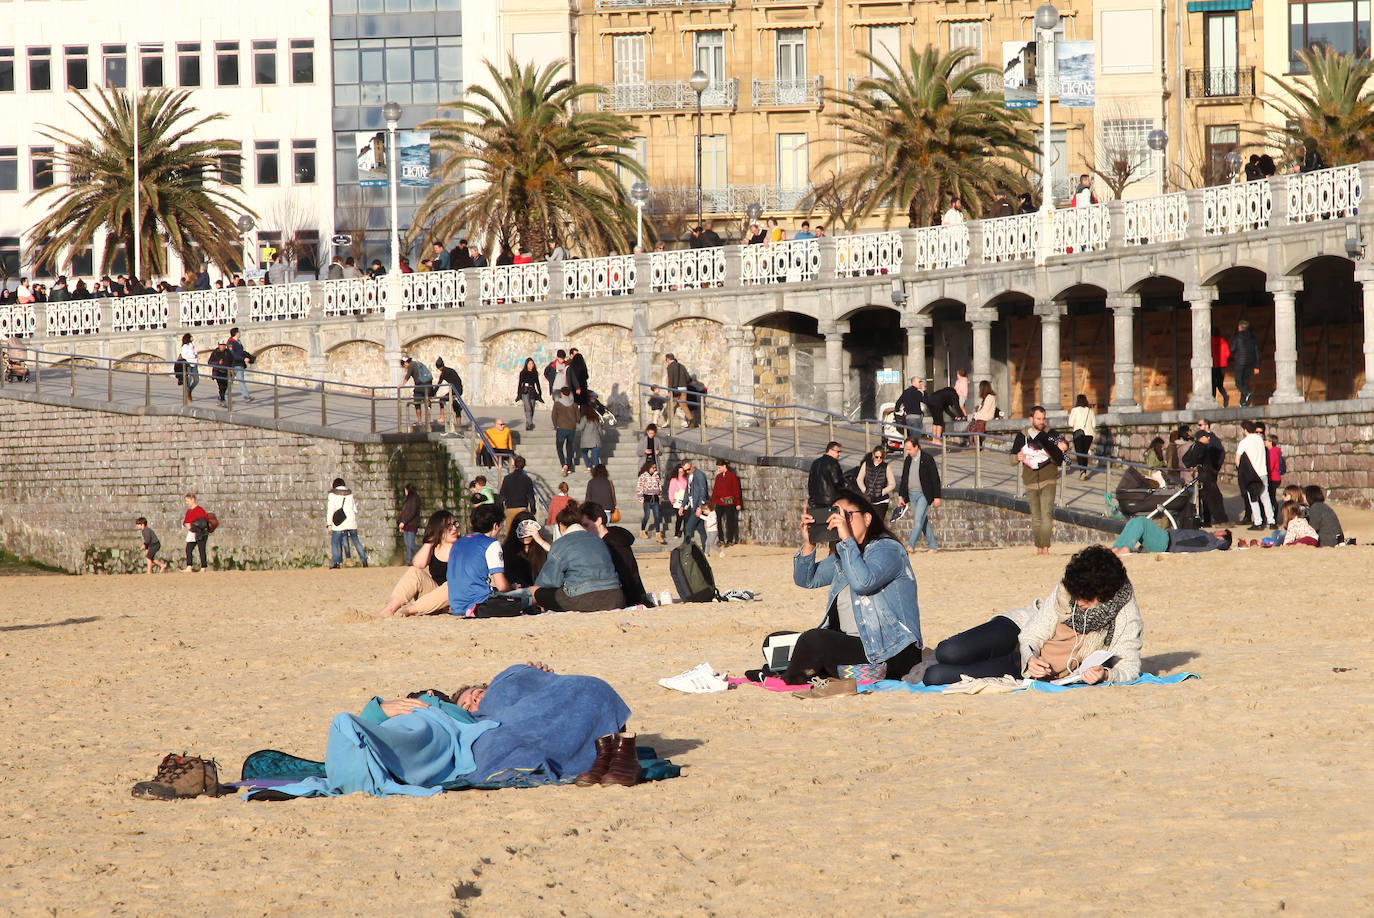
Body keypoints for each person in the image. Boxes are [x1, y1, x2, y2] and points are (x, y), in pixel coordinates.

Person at [922, 545, 1141, 686]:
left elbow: (1129, 667)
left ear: (1106, 594)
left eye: (1086, 599)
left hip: (1028, 668)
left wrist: (1105, 675)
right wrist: (1030, 658)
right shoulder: (1070, 586)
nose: (1079, 602)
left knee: (934, 676)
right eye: (1076, 595)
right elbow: (1032, 633)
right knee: (948, 651)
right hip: (1019, 630)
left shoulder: (1124, 611)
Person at [772, 490, 923, 685]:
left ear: (867, 518)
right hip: (856, 646)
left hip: (892, 651)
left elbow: (863, 583)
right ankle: (821, 670)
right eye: (836, 515)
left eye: (847, 515)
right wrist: (809, 544)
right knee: (775, 642)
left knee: (813, 640)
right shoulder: (846, 554)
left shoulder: (888, 549)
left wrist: (846, 541)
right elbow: (806, 580)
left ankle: (791, 677)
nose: (841, 521)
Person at [532, 503, 624, 612]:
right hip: (615, 596)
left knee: (537, 592)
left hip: (583, 598)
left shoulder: (561, 544)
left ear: (561, 526)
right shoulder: (599, 540)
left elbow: (549, 581)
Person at [373, 511, 458, 617]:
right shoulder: (433, 548)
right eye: (449, 526)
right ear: (439, 528)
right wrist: (429, 543)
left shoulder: (462, 547)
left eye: (455, 524)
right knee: (414, 572)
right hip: (432, 596)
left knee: (452, 585)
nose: (454, 528)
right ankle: (389, 609)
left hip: (454, 597)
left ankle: (410, 610)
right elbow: (418, 565)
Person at [1010, 406, 1067, 554]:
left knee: (1046, 514)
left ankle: (1045, 547)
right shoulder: (1022, 436)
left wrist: (1063, 446)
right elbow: (1012, 458)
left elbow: (1064, 446)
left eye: (1043, 419)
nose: (1041, 422)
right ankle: (1039, 547)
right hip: (1030, 480)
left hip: (1049, 479)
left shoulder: (1051, 434)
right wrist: (1017, 457)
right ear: (1031, 419)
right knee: (1036, 517)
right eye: (1038, 419)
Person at [446, 504, 512, 617]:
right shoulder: (491, 544)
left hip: (456, 606)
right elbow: (502, 586)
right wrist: (512, 588)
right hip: (479, 604)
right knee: (531, 593)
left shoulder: (458, 543)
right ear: (495, 525)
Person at [580, 502, 648, 606]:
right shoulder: (613, 539)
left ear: (598, 521)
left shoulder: (613, 544)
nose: (584, 530)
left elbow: (627, 577)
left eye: (586, 525)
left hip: (624, 598)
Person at [896, 436, 941, 553]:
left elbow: (935, 478)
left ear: (916, 447)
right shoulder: (908, 460)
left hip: (923, 495)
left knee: (918, 521)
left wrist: (937, 496)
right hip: (911, 494)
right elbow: (904, 478)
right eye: (906, 449)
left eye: (910, 449)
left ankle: (911, 545)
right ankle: (933, 545)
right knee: (922, 520)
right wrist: (901, 496)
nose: (908, 452)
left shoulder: (927, 459)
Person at [1183, 420, 1227, 525]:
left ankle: (1208, 520)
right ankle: (1221, 520)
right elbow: (1197, 458)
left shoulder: (1194, 445)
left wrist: (1192, 466)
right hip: (1206, 475)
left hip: (1202, 475)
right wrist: (1197, 465)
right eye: (1206, 437)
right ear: (1201, 438)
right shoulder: (1201, 446)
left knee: (1207, 498)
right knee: (1215, 498)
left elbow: (1186, 459)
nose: (1209, 438)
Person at [1112, 518, 1232, 554]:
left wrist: (1232, 543)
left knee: (1141, 521)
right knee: (1134, 521)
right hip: (1165, 540)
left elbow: (1224, 544)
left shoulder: (1211, 541)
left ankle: (1125, 547)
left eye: (1220, 531)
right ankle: (1117, 547)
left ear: (1222, 536)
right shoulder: (1206, 537)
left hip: (1166, 542)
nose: (1216, 531)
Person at [1236, 421, 1275, 529]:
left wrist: (1241, 471)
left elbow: (1237, 459)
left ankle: (1258, 522)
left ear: (1245, 430)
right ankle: (1271, 521)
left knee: (1253, 498)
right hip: (1263, 472)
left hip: (1251, 474)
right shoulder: (1260, 440)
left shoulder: (1244, 442)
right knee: (1265, 497)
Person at [327, 477, 368, 569]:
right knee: (356, 541)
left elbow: (330, 510)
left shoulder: (332, 495)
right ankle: (364, 560)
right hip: (351, 521)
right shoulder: (349, 494)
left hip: (339, 523)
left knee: (335, 542)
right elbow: (354, 509)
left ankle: (337, 562)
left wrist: (329, 523)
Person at [502, 513, 549, 588]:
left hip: (540, 590)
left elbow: (558, 556)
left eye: (530, 532)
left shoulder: (541, 548)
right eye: (523, 532)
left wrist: (540, 541)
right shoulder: (508, 550)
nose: (527, 536)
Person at [855, 445, 896, 520]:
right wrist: (864, 489)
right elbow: (859, 479)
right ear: (873, 455)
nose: (879, 459)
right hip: (868, 498)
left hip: (882, 500)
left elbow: (892, 484)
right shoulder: (866, 464)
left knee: (878, 521)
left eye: (881, 457)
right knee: (867, 521)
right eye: (877, 457)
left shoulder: (886, 467)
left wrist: (883, 491)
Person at [499, 456, 538, 531]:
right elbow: (531, 497)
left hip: (510, 508)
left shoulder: (507, 478)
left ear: (514, 464)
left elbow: (502, 496)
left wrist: (501, 509)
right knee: (522, 532)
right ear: (524, 465)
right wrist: (533, 510)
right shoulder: (527, 479)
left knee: (510, 532)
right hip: (522, 509)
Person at [709, 459, 742, 547]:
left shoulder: (732, 476)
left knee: (730, 521)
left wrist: (738, 502)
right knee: (718, 520)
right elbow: (715, 490)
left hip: (729, 502)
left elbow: (736, 490)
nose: (718, 469)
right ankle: (721, 539)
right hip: (719, 502)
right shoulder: (718, 477)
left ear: (724, 466)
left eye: (719, 467)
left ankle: (729, 539)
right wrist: (712, 502)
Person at [679, 460, 710, 549]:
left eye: (688, 469)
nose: (687, 471)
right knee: (701, 529)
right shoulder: (689, 476)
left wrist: (700, 506)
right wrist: (682, 506)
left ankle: (685, 549)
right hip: (693, 505)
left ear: (692, 466)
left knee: (689, 528)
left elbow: (703, 492)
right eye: (685, 470)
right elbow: (687, 492)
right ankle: (706, 550)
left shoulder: (699, 475)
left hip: (698, 506)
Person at [1229, 320, 1261, 407]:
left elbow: (1232, 349)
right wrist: (1257, 365)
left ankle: (1246, 393)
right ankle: (1243, 402)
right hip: (1250, 362)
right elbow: (1257, 352)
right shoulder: (1253, 337)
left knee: (1238, 383)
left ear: (1240, 327)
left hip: (1240, 362)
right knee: (1245, 382)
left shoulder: (1237, 336)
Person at [807, 441, 846, 511]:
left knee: (819, 517)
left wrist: (812, 498)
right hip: (831, 501)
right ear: (830, 450)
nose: (839, 454)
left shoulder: (815, 462)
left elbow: (810, 482)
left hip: (815, 501)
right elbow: (836, 481)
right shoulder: (833, 462)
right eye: (838, 452)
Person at [1066, 394, 1096, 479]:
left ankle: (1082, 472)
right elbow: (1094, 424)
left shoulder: (1074, 410)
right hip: (1089, 434)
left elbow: (1070, 423)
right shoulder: (1090, 410)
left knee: (1079, 453)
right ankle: (1084, 471)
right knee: (1085, 453)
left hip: (1078, 434)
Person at [401, 357, 437, 426]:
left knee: (417, 403)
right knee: (427, 403)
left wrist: (402, 384)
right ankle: (428, 421)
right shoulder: (418, 363)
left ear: (406, 363)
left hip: (420, 387)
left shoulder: (411, 366)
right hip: (429, 386)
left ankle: (420, 421)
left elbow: (407, 376)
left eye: (404, 366)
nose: (405, 367)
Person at [552, 387, 579, 475]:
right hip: (572, 428)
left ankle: (563, 464)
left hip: (561, 428)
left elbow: (553, 415)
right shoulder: (574, 404)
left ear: (562, 394)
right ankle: (569, 466)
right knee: (569, 447)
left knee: (559, 447)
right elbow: (578, 417)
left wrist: (555, 425)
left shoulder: (558, 403)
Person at [664, 353, 695, 428]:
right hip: (683, 389)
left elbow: (671, 379)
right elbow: (688, 378)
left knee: (670, 406)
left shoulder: (670, 367)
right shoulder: (682, 366)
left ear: (667, 359)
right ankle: (691, 419)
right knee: (683, 405)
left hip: (675, 389)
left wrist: (669, 390)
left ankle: (669, 422)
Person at [636, 459, 663, 542]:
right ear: (649, 467)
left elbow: (659, 486)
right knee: (647, 516)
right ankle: (642, 531)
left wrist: (660, 497)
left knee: (657, 516)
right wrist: (641, 498)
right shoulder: (643, 476)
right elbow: (639, 488)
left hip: (655, 498)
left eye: (655, 467)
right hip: (647, 498)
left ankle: (658, 534)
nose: (655, 469)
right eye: (653, 467)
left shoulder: (656, 476)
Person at [182, 492, 210, 573]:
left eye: (187, 501)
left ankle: (203, 567)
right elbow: (186, 521)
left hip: (201, 533)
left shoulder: (200, 510)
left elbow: (203, 523)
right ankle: (189, 566)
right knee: (188, 549)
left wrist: (193, 525)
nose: (187, 503)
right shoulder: (189, 511)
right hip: (192, 533)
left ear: (193, 500)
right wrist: (187, 525)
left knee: (201, 550)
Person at [434, 357, 464, 428]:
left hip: (455, 390)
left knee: (441, 400)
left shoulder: (444, 373)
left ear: (438, 367)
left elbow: (439, 384)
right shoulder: (450, 370)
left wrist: (432, 393)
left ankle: (442, 417)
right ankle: (459, 424)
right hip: (459, 389)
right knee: (456, 406)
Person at [226, 327, 254, 403]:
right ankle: (224, 397)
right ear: (236, 333)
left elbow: (240, 352)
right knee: (230, 382)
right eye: (239, 332)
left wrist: (247, 356)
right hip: (233, 364)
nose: (240, 333)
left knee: (241, 381)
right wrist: (243, 358)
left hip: (240, 364)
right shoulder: (231, 343)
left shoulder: (238, 341)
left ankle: (246, 397)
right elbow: (233, 354)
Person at [398, 484, 422, 564]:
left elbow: (412, 512)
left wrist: (403, 522)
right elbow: (404, 513)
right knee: (407, 545)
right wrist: (401, 522)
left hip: (412, 524)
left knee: (411, 544)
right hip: (406, 524)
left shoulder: (414, 499)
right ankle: (409, 560)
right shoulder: (408, 499)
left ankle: (424, 552)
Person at [516, 357, 542, 431]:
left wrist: (540, 393)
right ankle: (530, 423)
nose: (531, 365)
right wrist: (518, 394)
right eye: (530, 364)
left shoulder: (535, 373)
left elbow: (537, 383)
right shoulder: (523, 373)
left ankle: (528, 425)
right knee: (528, 408)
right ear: (526, 364)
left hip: (532, 391)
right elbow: (520, 384)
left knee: (532, 408)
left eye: (532, 363)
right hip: (525, 391)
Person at [576, 404, 603, 470]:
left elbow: (580, 427)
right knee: (595, 456)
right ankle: (597, 469)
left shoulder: (585, 418)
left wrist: (574, 424)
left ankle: (588, 466)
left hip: (586, 440)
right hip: (596, 441)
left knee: (584, 452)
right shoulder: (596, 418)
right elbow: (600, 431)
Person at [174, 333, 199, 403]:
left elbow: (196, 353)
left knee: (196, 380)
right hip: (188, 364)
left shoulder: (193, 345)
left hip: (194, 364)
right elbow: (184, 356)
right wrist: (192, 356)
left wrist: (195, 357)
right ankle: (187, 394)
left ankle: (189, 391)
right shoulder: (185, 346)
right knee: (189, 380)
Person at [666, 463, 689, 539]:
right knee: (679, 518)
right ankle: (677, 532)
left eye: (682, 471)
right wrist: (671, 499)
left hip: (685, 501)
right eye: (680, 472)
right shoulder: (674, 480)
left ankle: (686, 533)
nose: (681, 473)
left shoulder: (686, 479)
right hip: (677, 501)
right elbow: (671, 490)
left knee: (686, 518)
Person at [1210, 327, 1231, 406]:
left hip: (1213, 366)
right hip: (1222, 366)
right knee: (1219, 384)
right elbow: (1227, 354)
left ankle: (1213, 400)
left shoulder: (1209, 343)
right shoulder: (1223, 342)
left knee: (1212, 384)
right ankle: (1225, 396)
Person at [1266, 435, 1284, 513]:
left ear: (1270, 442)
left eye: (1266, 440)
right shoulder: (1276, 451)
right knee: (1272, 497)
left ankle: (1274, 514)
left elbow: (1270, 466)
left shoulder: (1271, 452)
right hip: (1276, 477)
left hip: (1272, 478)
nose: (1265, 442)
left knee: (1271, 498)